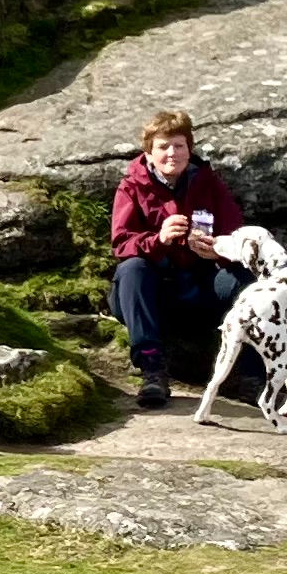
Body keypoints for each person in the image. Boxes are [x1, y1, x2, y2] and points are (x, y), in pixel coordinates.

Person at [108, 109, 250, 411]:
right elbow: (121, 244)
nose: (172, 153)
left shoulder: (208, 183)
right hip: (152, 295)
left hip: (200, 287)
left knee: (245, 279)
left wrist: (218, 249)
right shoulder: (131, 186)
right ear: (149, 152)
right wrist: (158, 240)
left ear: (189, 148)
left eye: (179, 145)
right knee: (132, 268)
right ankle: (152, 371)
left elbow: (238, 235)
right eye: (163, 146)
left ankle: (252, 375)